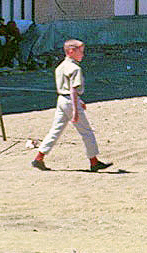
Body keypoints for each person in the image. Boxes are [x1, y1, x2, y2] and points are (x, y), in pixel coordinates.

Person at [27, 39, 110, 172]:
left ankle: (39, 158)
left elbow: (65, 88)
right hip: (71, 101)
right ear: (71, 51)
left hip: (61, 100)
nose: (82, 54)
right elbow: (73, 89)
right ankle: (94, 162)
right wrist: (76, 109)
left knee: (55, 130)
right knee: (86, 132)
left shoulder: (60, 66)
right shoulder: (75, 68)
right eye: (80, 51)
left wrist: (78, 102)